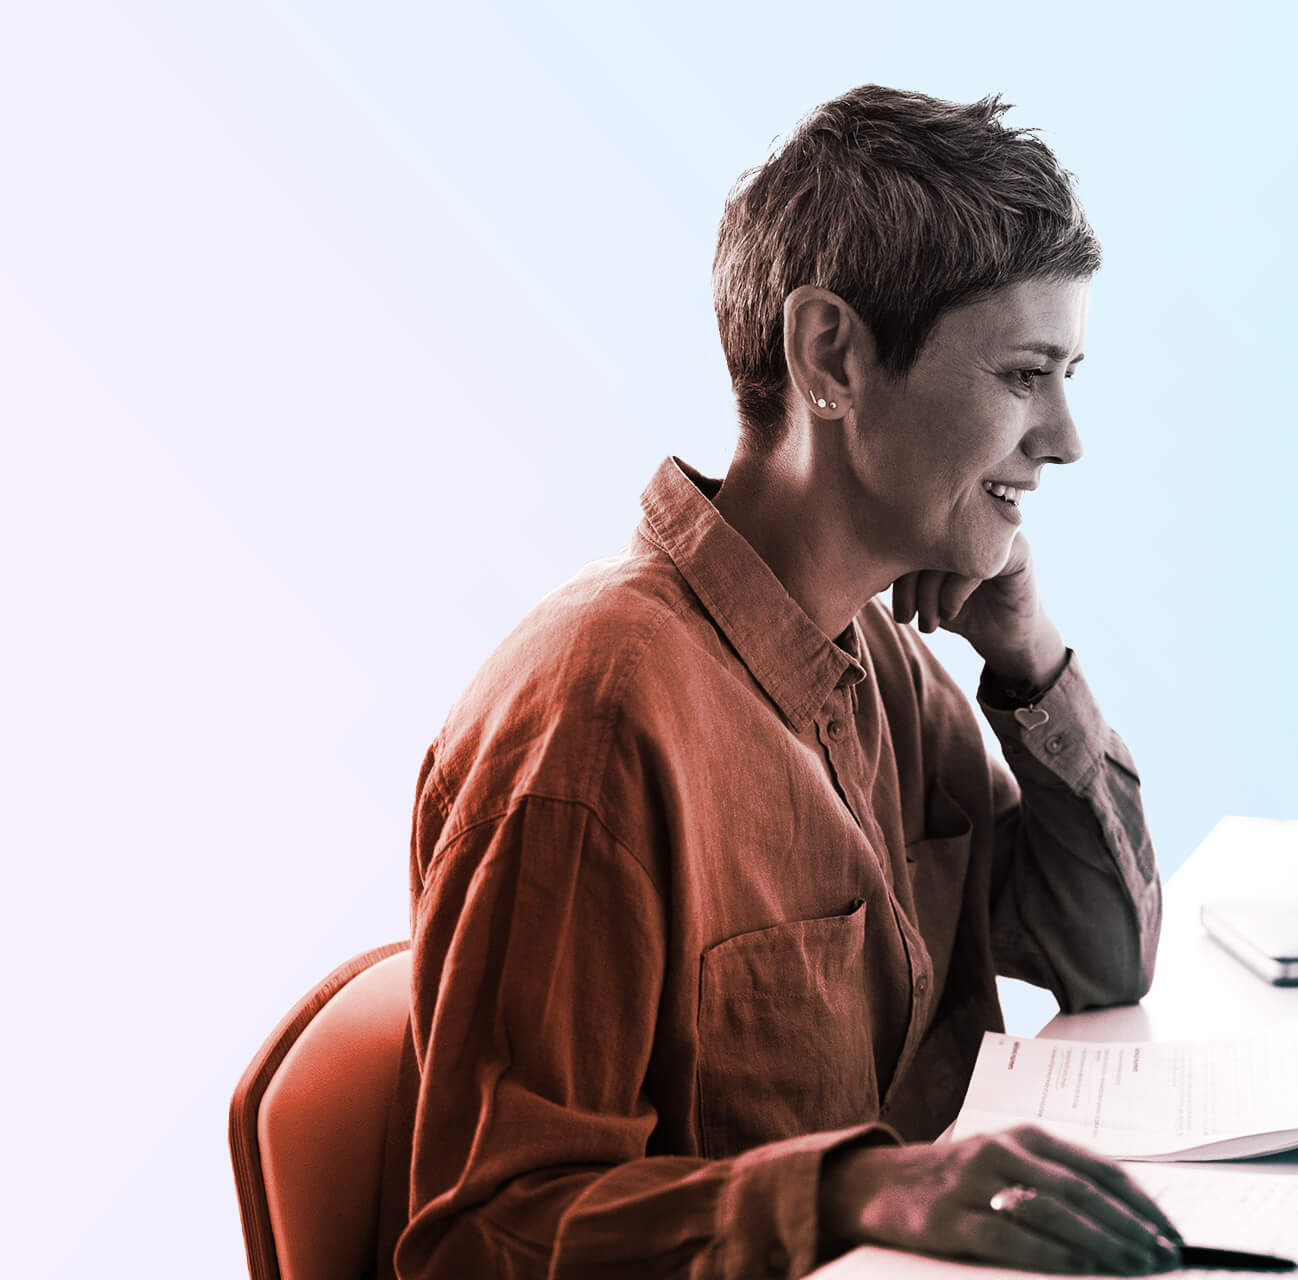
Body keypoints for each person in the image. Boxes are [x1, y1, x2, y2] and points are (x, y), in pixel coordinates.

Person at [388, 86, 1182, 1278]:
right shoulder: (595, 717)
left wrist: (1026, 657)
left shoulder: (887, 667)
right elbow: (482, 1239)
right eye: (1026, 374)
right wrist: (858, 1190)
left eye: (1068, 375)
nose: (1064, 437)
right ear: (832, 355)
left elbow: (1104, 958)